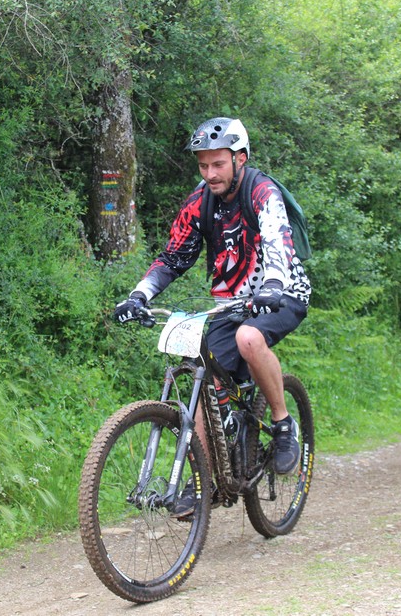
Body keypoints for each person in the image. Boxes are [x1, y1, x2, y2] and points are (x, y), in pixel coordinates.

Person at [113, 117, 311, 515]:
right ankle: (201, 478)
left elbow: (277, 240)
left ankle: (283, 424)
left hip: (282, 291)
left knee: (249, 339)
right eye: (203, 165)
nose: (210, 173)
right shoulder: (200, 202)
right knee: (204, 376)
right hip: (230, 302)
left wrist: (272, 285)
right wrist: (139, 294)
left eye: (218, 164)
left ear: (240, 158)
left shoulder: (262, 192)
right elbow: (173, 257)